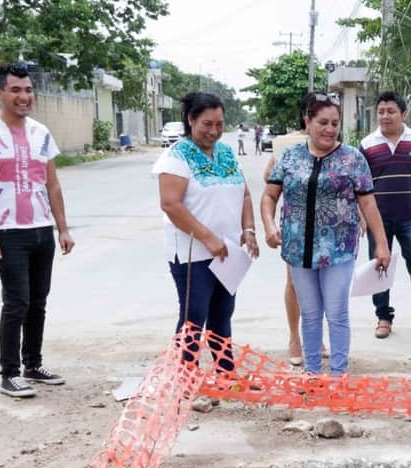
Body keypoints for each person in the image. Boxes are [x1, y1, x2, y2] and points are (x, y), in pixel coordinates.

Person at [0, 63, 75, 399]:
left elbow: (52, 184)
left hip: (41, 229)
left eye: (28, 90)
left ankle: (33, 365)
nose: (23, 96)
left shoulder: (41, 132)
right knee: (16, 303)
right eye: (15, 90)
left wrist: (62, 229)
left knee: (38, 302)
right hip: (7, 231)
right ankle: (9, 373)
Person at [262, 92, 390, 376]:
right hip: (298, 251)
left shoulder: (352, 158)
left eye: (335, 123)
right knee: (309, 315)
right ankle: (312, 373)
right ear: (307, 121)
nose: (330, 129)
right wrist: (269, 226)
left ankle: (337, 375)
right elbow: (269, 195)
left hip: (338, 251)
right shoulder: (290, 157)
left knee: (337, 313)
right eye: (323, 122)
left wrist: (381, 244)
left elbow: (368, 204)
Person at [153, 92, 259, 381]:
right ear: (191, 120)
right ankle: (185, 378)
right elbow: (170, 204)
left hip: (228, 252)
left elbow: (244, 195)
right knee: (194, 317)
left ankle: (226, 373)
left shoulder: (226, 153)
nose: (213, 131)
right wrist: (207, 237)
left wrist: (248, 230)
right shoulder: (176, 156)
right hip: (192, 253)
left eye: (219, 124)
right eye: (207, 124)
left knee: (223, 313)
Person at [358, 91, 411, 340]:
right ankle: (383, 317)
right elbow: (359, 184)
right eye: (381, 112)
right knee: (379, 267)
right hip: (378, 220)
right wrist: (362, 216)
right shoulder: (367, 145)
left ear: (404, 114)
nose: (385, 116)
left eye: (391, 111)